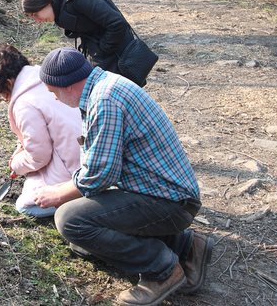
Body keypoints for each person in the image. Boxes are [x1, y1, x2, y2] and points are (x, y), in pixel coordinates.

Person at [33, 47, 212, 306]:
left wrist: (57, 194)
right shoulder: (105, 85)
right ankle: (186, 245)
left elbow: (98, 177)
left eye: (53, 93)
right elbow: (99, 167)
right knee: (82, 241)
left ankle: (161, 271)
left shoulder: (105, 100)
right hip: (161, 193)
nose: (56, 99)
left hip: (170, 202)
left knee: (70, 220)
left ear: (67, 86)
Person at [0, 44, 81, 218]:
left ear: (8, 82)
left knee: (25, 206)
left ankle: (75, 202)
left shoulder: (24, 103)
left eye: (3, 94)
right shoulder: (43, 78)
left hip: (76, 166)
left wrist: (16, 164)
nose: (6, 99)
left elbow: (39, 156)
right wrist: (22, 148)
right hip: (85, 150)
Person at [19, 0, 155, 86]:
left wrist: (102, 50)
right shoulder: (61, 2)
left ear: (46, 1)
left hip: (119, 59)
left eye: (36, 14)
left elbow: (117, 24)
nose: (37, 20)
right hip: (103, 57)